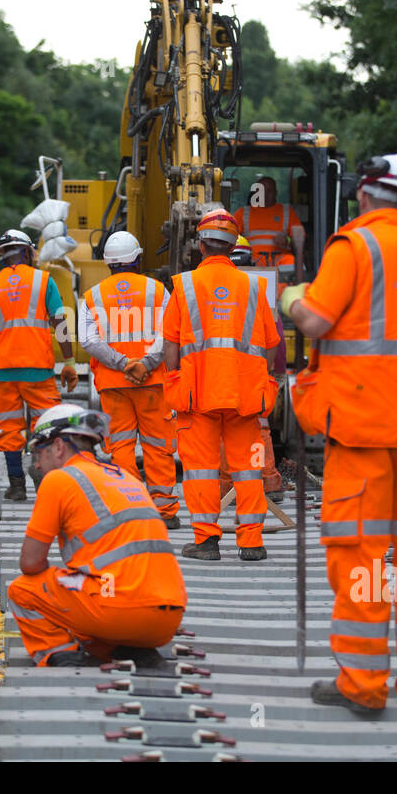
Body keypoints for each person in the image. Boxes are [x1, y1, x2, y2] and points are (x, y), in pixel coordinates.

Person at [280, 152, 397, 714]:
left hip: (360, 432)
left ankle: (362, 686)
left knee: (359, 556)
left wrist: (288, 295)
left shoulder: (353, 247)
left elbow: (314, 320)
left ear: (363, 196)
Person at [6, 404, 187, 667]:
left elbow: (30, 564)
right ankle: (123, 647)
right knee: (93, 586)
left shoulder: (59, 480)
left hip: (117, 612)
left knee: (21, 590)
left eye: (38, 452)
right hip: (167, 619)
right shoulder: (127, 477)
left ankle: (60, 652)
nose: (36, 463)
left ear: (58, 446)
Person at [162, 209, 281, 562]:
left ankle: (207, 541)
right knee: (247, 469)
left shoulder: (183, 285)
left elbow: (170, 344)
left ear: (201, 245)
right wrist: (263, 377)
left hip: (197, 392)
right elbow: (271, 343)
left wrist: (174, 379)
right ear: (232, 247)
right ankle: (251, 542)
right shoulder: (255, 287)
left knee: (201, 469)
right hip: (245, 393)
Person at [79, 230, 179, 528]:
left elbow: (88, 341)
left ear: (108, 263)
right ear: (137, 259)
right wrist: (145, 364)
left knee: (120, 445)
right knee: (158, 444)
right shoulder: (158, 290)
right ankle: (164, 511)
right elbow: (170, 334)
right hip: (152, 383)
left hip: (113, 384)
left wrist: (123, 364)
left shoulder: (92, 296)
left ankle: (130, 506)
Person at [0, 229, 78, 502]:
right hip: (38, 368)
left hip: (3, 370)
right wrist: (68, 361)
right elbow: (60, 321)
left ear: (2, 257)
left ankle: (16, 484)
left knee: (9, 427)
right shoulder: (43, 281)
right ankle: (44, 478)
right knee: (46, 423)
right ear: (28, 252)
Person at [218, 234, 285, 502]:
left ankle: (227, 485)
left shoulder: (211, 287)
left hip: (223, 372)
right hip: (254, 372)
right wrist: (269, 372)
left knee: (225, 426)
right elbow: (274, 335)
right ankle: (266, 481)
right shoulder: (259, 287)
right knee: (258, 426)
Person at [234, 175, 306, 280]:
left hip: (279, 259)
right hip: (252, 259)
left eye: (269, 191)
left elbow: (300, 239)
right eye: (261, 190)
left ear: (276, 193)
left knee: (292, 262)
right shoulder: (242, 213)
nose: (265, 195)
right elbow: (231, 237)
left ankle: (287, 293)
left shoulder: (287, 212)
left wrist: (287, 241)